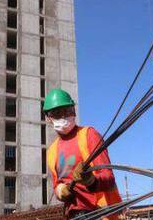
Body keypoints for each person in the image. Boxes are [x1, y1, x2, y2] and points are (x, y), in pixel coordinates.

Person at [44, 88, 122, 219]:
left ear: (73, 110)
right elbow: (57, 185)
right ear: (48, 118)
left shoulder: (89, 135)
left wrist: (90, 181)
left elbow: (109, 178)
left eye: (67, 111)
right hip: (73, 215)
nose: (63, 116)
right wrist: (61, 191)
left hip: (99, 214)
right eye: (57, 113)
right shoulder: (52, 151)